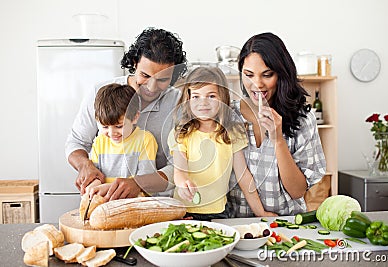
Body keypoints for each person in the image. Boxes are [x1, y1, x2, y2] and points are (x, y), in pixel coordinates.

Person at [65, 27, 187, 200]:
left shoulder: (179, 103)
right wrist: (85, 165)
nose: (151, 88)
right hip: (105, 199)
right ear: (135, 63)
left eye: (162, 80)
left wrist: (138, 183)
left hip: (157, 202)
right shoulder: (100, 93)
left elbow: (180, 166)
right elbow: (76, 142)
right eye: (145, 75)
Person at [227, 32, 326, 217]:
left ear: (281, 74)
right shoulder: (228, 115)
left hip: (285, 224)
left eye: (267, 75)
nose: (257, 84)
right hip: (236, 227)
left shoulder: (303, 118)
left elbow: (298, 191)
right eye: (249, 75)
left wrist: (278, 139)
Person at [168, 66, 271, 221]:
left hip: (219, 212)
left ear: (222, 99)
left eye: (211, 96)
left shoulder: (232, 133)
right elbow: (179, 171)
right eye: (196, 96)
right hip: (184, 211)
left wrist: (260, 213)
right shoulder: (181, 133)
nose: (203, 103)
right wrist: (182, 183)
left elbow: (243, 176)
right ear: (188, 99)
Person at [86, 83, 158, 197]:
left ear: (135, 117)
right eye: (105, 127)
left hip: (135, 203)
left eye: (119, 126)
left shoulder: (145, 140)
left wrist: (109, 188)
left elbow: (145, 181)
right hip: (107, 202)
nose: (112, 133)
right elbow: (96, 175)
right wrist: (92, 186)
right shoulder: (100, 141)